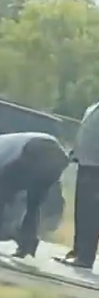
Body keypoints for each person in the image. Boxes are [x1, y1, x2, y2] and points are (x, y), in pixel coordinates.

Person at [0, 132, 69, 256]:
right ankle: (27, 245)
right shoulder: (6, 149)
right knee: (33, 204)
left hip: (37, 149)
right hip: (59, 158)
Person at [55, 101, 99, 269]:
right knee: (81, 211)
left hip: (96, 166)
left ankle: (85, 257)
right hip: (85, 162)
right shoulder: (93, 107)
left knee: (91, 214)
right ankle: (77, 252)